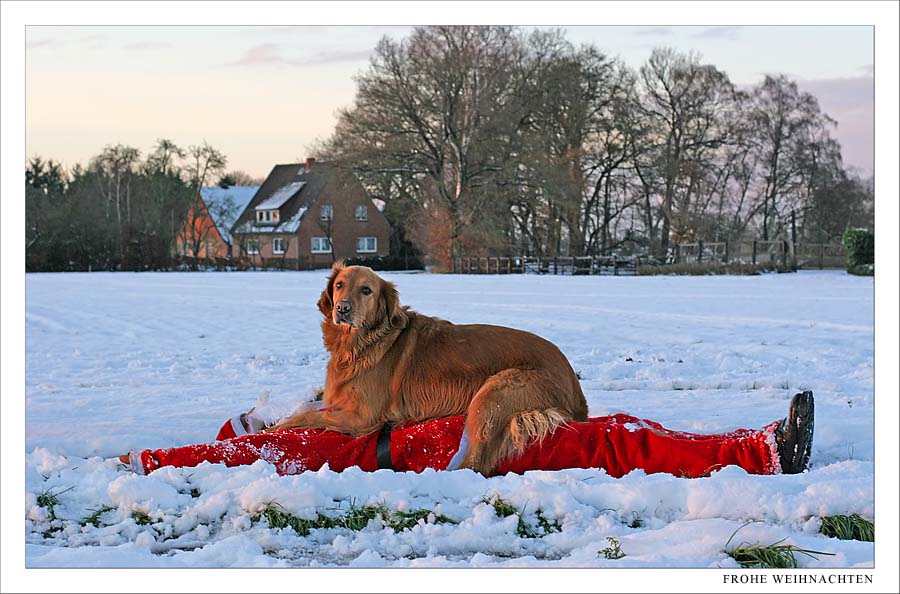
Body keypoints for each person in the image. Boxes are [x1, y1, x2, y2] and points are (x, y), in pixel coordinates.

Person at [120, 391, 815, 479]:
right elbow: (218, 454)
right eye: (266, 417)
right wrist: (150, 461)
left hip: (460, 429)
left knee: (610, 428)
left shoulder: (328, 417)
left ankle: (747, 442)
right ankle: (758, 455)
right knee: (607, 440)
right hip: (453, 449)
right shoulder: (294, 446)